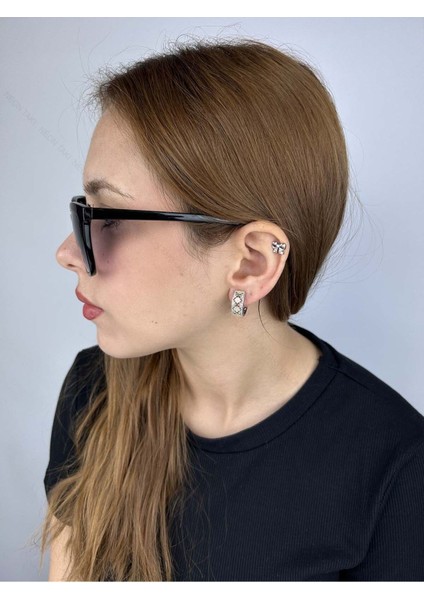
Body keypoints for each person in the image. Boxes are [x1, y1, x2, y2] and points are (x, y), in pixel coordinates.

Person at [41, 37, 424, 582]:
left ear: (250, 264)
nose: (66, 252)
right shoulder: (92, 391)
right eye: (87, 211)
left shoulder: (397, 470)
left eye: (112, 219)